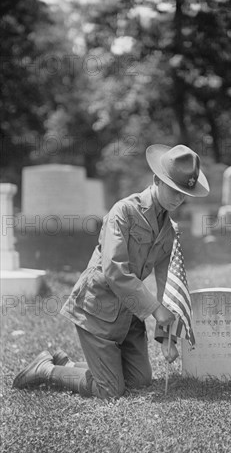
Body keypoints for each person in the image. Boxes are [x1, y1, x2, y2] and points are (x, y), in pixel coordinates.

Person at [13, 145, 210, 399]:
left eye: (184, 194)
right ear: (157, 180)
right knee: (110, 390)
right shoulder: (124, 212)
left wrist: (167, 338)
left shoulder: (169, 230)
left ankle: (70, 365)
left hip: (128, 316)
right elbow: (114, 270)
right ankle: (47, 370)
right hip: (98, 309)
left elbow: (166, 286)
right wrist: (154, 310)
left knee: (140, 380)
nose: (178, 199)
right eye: (174, 190)